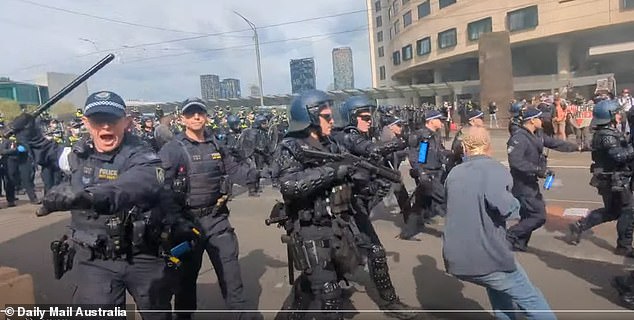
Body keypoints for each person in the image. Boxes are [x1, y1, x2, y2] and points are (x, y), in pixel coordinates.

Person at [10, 91, 174, 320]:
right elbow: (50, 153)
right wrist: (31, 134)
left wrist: (85, 196)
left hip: (142, 256)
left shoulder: (143, 155)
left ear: (126, 122)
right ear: (86, 123)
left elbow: (135, 184)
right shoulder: (79, 155)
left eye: (112, 119)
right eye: (98, 120)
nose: (105, 126)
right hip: (94, 260)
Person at [159, 98, 260, 320]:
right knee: (185, 281)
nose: (196, 117)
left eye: (200, 113)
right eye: (191, 113)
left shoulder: (217, 146)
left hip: (217, 220)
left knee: (232, 276)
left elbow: (237, 172)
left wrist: (254, 169)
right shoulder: (173, 149)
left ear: (206, 116)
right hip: (187, 225)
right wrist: (175, 222)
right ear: (182, 118)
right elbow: (163, 190)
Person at [443, 126, 556, 320]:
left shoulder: (454, 173)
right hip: (488, 257)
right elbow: (508, 210)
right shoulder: (494, 169)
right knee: (532, 299)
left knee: (500, 292)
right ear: (488, 145)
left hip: (455, 257)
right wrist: (517, 202)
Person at [274, 90, 363, 319]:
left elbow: (346, 169)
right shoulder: (291, 147)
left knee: (314, 283)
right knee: (329, 293)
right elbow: (290, 186)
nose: (332, 121)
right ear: (310, 117)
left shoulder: (330, 143)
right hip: (308, 228)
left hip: (335, 225)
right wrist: (331, 172)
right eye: (326, 116)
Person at [330, 96, 414, 319]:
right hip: (346, 204)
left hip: (359, 200)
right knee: (374, 251)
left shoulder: (350, 135)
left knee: (341, 253)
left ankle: (332, 288)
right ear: (351, 118)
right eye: (365, 117)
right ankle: (390, 302)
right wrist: (404, 140)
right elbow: (371, 149)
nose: (369, 121)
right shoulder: (348, 136)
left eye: (370, 117)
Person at [506, 107, 583, 251]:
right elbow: (516, 162)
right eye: (540, 118)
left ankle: (519, 243)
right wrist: (539, 170)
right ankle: (509, 235)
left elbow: (556, 143)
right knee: (538, 216)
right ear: (532, 120)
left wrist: (578, 147)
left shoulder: (536, 135)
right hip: (522, 183)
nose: (542, 121)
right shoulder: (519, 138)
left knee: (527, 214)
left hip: (530, 181)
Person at [568, 99, 634, 257]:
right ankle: (624, 246)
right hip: (613, 179)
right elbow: (618, 156)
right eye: (617, 112)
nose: (620, 115)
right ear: (610, 115)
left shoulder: (608, 132)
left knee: (613, 211)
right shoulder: (606, 135)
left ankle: (580, 225)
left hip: (612, 178)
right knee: (628, 211)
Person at [404, 110, 449, 240]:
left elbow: (439, 152)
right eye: (439, 120)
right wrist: (422, 173)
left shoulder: (434, 135)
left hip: (435, 172)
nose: (441, 122)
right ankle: (455, 231)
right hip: (429, 175)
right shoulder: (425, 137)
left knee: (421, 204)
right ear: (431, 121)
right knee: (445, 200)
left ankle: (408, 232)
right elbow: (419, 158)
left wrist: (451, 154)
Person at [447, 109, 484, 173]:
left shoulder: (475, 130)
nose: (482, 120)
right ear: (473, 120)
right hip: (464, 164)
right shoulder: (466, 131)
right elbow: (458, 148)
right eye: (480, 118)